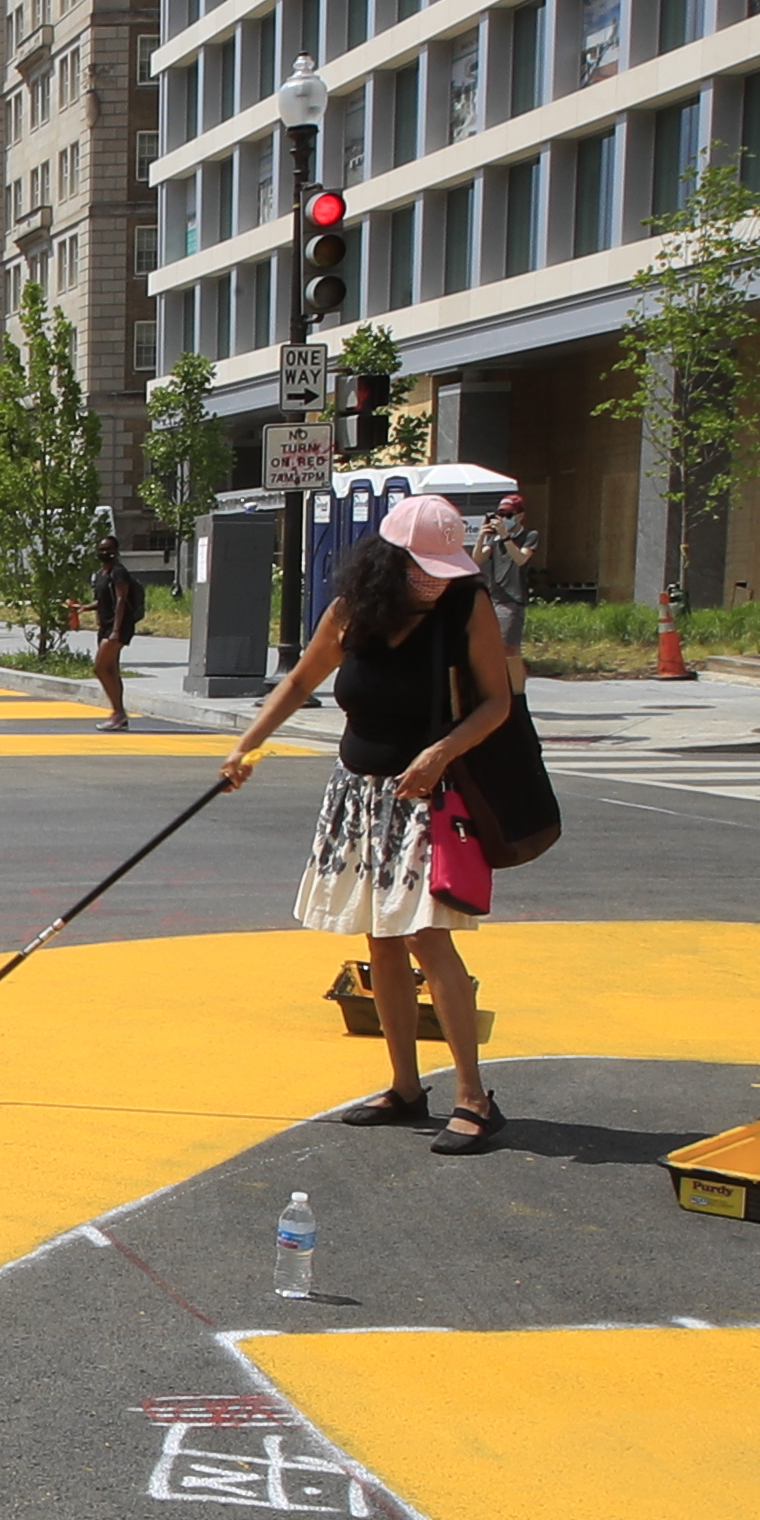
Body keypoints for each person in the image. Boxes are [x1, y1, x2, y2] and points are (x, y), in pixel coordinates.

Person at [228, 491, 523, 1154]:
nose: (436, 578)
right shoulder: (354, 610)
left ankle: (475, 1098)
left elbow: (496, 703)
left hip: (425, 797)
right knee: (380, 942)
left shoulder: (465, 607)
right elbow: (301, 683)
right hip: (358, 795)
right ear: (390, 560)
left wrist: (440, 752)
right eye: (423, 566)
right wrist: (245, 745)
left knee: (426, 937)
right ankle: (405, 1086)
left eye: (444, 566)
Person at [87, 513, 151, 730]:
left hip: (117, 627)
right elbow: (104, 601)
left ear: (116, 551)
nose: (104, 553)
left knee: (100, 668)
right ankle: (119, 715)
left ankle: (118, 712)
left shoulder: (118, 572)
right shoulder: (101, 573)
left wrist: (115, 631)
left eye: (109, 549)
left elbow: (122, 600)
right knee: (112, 669)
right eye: (101, 549)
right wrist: (85, 608)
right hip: (105, 625)